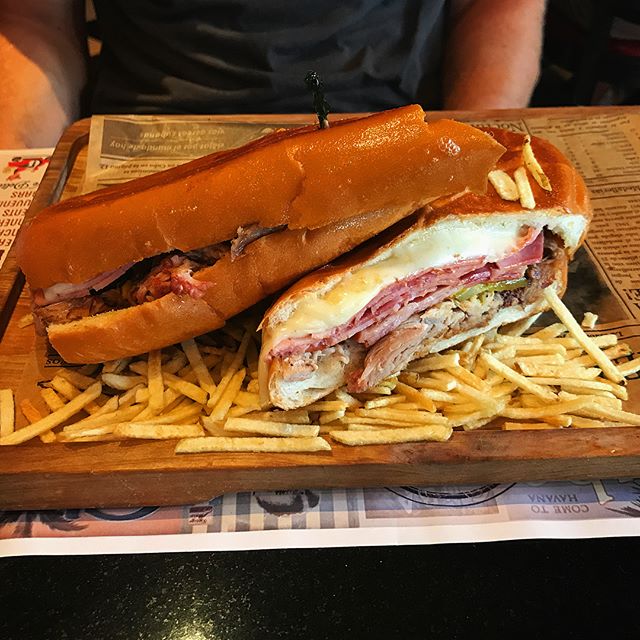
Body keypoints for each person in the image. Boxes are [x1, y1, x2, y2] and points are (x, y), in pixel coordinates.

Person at [0, 0, 546, 149]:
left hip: (397, 129)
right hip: (145, 139)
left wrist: (472, 151)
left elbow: (497, 5)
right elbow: (32, 21)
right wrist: (17, 175)